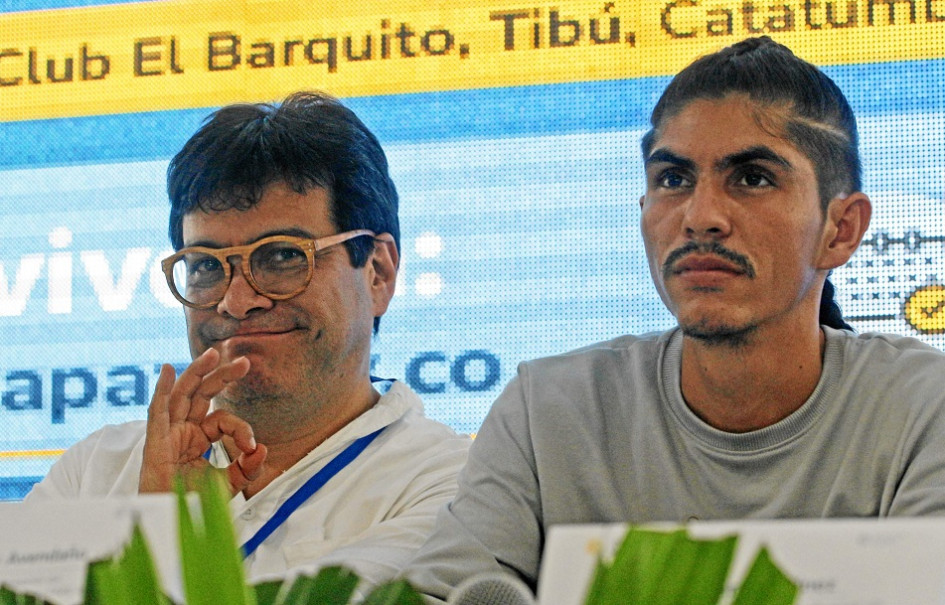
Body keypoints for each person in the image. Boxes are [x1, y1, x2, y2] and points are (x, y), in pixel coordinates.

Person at [404, 36, 945, 601]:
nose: (701, 217)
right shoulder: (544, 412)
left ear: (842, 230)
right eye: (673, 180)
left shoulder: (923, 410)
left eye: (753, 178)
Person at [26, 91, 470, 590]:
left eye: (281, 256)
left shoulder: (455, 490)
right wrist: (150, 522)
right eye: (205, 265)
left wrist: (159, 557)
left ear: (378, 273)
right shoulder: (96, 472)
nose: (237, 301)